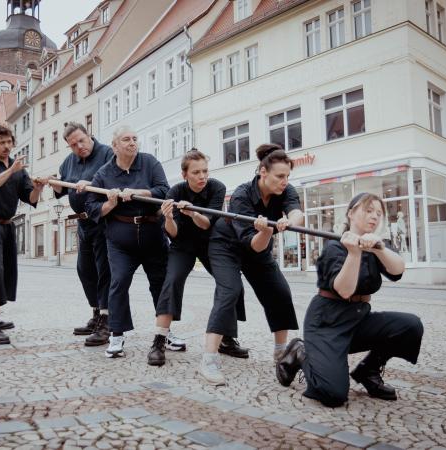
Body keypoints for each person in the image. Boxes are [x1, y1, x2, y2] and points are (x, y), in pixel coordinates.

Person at [276, 193, 424, 408]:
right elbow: (344, 291)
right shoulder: (334, 247)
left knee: (410, 326)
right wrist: (354, 253)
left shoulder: (376, 245)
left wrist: (379, 248)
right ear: (351, 213)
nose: (374, 217)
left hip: (357, 320)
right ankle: (301, 352)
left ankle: (368, 371)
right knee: (333, 394)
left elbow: (398, 269)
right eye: (368, 210)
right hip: (327, 324)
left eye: (379, 213)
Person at [200, 143, 304, 385]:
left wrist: (290, 221)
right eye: (280, 176)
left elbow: (297, 212)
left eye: (287, 176)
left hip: (257, 248)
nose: (284, 181)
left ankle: (280, 353)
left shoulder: (285, 189)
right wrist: (267, 230)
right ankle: (209, 359)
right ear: (263, 172)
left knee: (279, 291)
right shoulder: (241, 194)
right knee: (230, 292)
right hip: (226, 245)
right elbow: (254, 244)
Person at [148, 149, 249, 367]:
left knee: (231, 282)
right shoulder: (175, 191)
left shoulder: (217, 187)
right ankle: (159, 341)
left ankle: (227, 339)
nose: (202, 176)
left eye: (205, 171)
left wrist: (192, 212)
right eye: (196, 172)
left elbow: (207, 223)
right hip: (182, 244)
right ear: (185, 175)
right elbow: (172, 232)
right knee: (172, 280)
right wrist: (167, 216)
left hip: (211, 242)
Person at [85, 126, 169, 358]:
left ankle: (164, 333)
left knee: (160, 285)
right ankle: (117, 335)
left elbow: (164, 190)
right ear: (115, 146)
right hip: (121, 239)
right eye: (126, 139)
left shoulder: (149, 162)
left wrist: (140, 191)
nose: (132, 143)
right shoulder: (103, 174)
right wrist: (110, 204)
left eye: (134, 139)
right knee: (118, 283)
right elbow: (91, 207)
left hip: (153, 235)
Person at [0, 125, 46, 345]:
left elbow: (30, 198)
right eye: (1, 142)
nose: (6, 146)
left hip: (6, 224)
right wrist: (10, 171)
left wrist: (38, 187)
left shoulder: (18, 170)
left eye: (8, 142)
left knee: (6, 273)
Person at [51, 122, 114, 346]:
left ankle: (107, 321)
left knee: (103, 269)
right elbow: (61, 189)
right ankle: (96, 314)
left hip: (104, 221)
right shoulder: (69, 162)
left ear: (89, 135)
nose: (79, 147)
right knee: (85, 269)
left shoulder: (107, 153)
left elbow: (115, 180)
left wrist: (92, 181)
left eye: (81, 140)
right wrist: (51, 182)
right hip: (83, 223)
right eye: (73, 145)